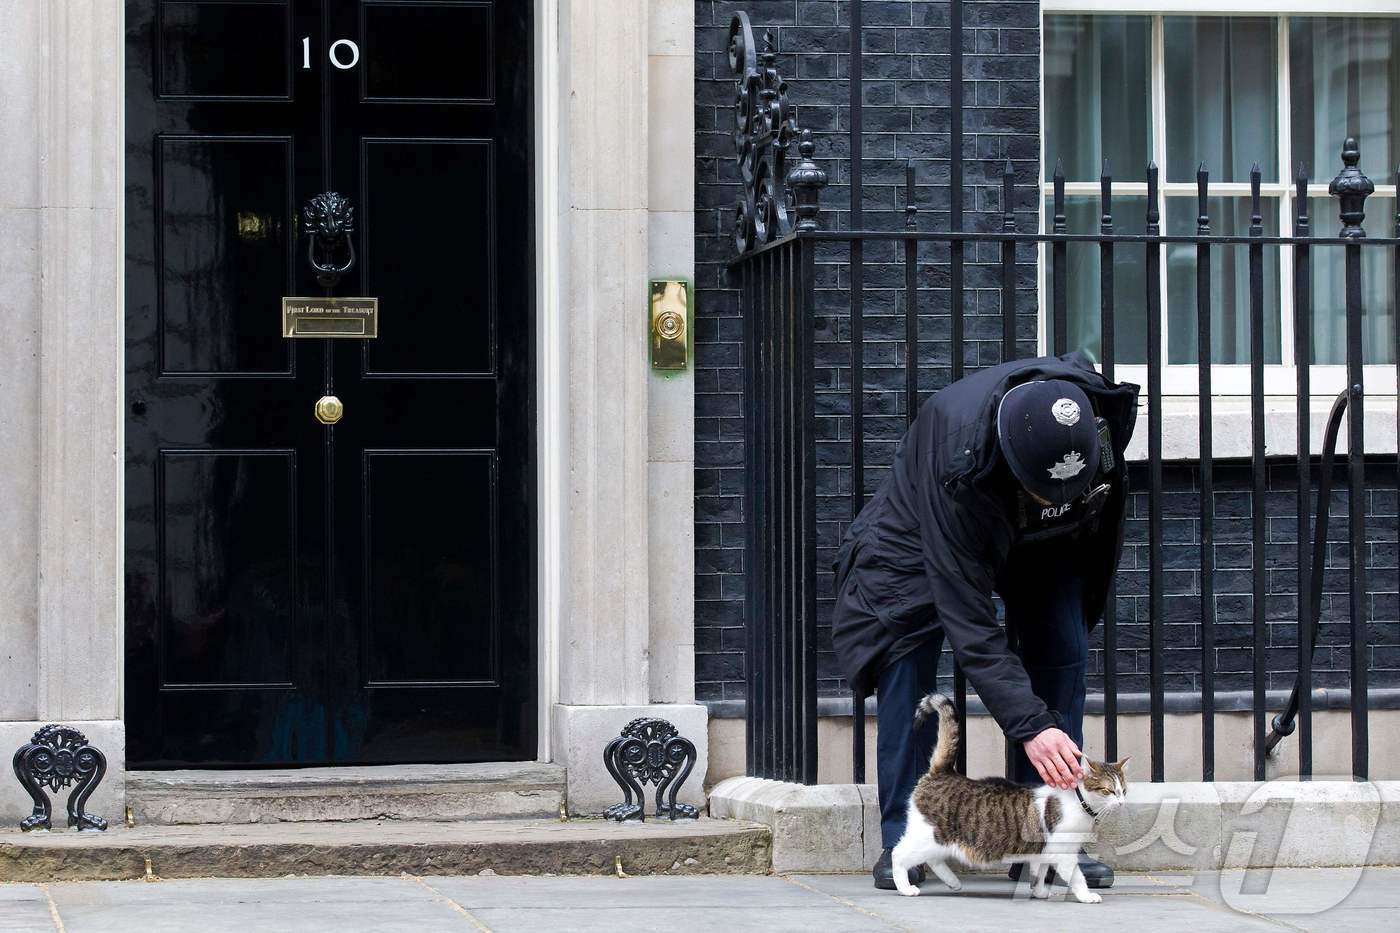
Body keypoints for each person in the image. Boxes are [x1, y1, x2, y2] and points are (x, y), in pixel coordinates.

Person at [830, 351, 1138, 890]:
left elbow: (1100, 534)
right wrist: (1031, 726)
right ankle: (905, 839)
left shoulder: (1097, 429)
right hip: (923, 536)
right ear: (1017, 468)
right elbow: (970, 623)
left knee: (1063, 649)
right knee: (904, 657)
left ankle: (1043, 839)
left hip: (1044, 541)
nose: (1057, 498)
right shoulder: (957, 461)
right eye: (1047, 491)